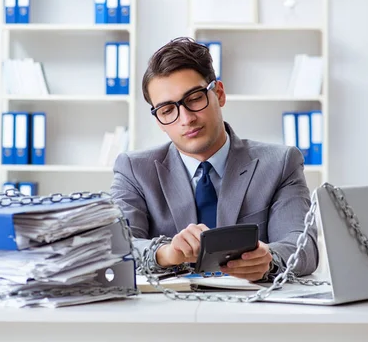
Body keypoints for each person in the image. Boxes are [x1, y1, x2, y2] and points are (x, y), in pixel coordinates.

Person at [110, 37, 319, 282]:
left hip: (253, 312)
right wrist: (165, 253)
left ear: (218, 94)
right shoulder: (134, 170)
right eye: (168, 110)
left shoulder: (280, 163)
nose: (186, 119)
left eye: (195, 98)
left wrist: (269, 259)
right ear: (159, 121)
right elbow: (117, 248)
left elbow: (303, 247)